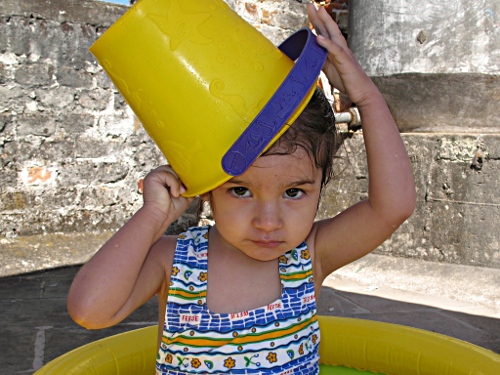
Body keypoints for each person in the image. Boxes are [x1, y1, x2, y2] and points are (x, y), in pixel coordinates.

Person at [67, 5, 416, 375]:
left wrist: (368, 98)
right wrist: (153, 216)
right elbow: (90, 310)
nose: (268, 222)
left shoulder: (309, 256)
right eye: (241, 192)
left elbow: (393, 207)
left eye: (294, 193)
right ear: (207, 189)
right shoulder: (174, 262)